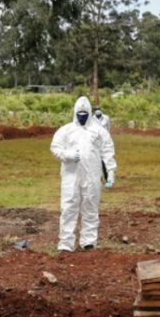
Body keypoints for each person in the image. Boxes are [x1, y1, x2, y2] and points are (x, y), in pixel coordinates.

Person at [50, 96, 116, 252]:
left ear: (89, 113)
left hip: (92, 176)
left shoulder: (99, 132)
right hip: (70, 176)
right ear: (74, 112)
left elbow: (107, 152)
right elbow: (55, 148)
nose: (82, 116)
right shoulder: (65, 130)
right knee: (68, 207)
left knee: (91, 206)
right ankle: (66, 244)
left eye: (85, 113)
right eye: (79, 113)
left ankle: (89, 241)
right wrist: (67, 155)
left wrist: (111, 172)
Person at [90, 105, 112, 181]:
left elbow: (108, 129)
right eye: (96, 109)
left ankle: (107, 177)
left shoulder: (106, 118)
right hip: (95, 141)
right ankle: (98, 177)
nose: (97, 110)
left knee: (105, 159)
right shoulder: (92, 119)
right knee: (96, 159)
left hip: (104, 141)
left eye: (98, 109)